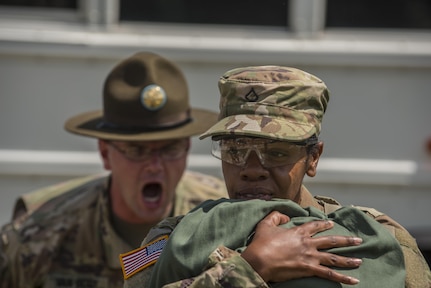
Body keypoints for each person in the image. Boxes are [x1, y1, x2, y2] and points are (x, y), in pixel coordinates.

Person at [122, 65, 431, 287]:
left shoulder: (379, 237)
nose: (252, 169)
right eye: (235, 150)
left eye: (277, 153)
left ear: (313, 158)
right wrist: (249, 268)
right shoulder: (175, 237)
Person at [0, 51, 227, 287]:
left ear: (187, 148)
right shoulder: (40, 233)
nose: (155, 166)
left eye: (171, 149)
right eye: (137, 150)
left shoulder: (222, 219)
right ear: (105, 154)